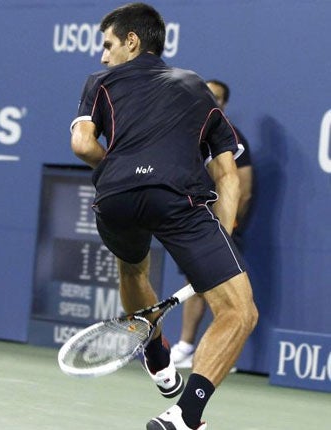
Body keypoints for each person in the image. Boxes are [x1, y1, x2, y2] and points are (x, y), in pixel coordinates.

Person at [69, 3, 258, 430]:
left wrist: (114, 171)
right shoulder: (194, 85)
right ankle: (186, 416)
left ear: (132, 41)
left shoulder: (98, 82)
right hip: (177, 198)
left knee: (133, 270)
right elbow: (228, 175)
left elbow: (83, 144)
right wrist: (220, 246)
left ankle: (155, 354)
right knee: (239, 311)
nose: (102, 56)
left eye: (108, 44)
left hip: (114, 199)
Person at [170, 80, 254, 369]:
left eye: (215, 98)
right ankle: (185, 346)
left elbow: (243, 188)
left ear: (224, 104)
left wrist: (225, 228)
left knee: (227, 294)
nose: (209, 101)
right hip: (197, 226)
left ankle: (222, 351)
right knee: (195, 285)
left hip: (221, 229)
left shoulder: (232, 137)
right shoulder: (187, 134)